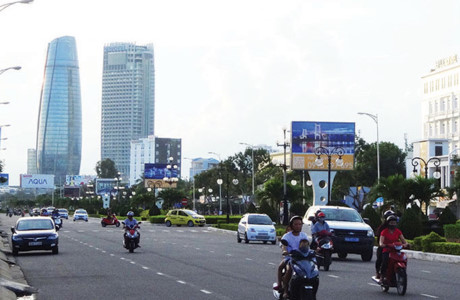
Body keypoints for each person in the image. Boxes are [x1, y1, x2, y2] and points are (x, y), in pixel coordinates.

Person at [276, 216, 309, 300]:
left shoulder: (304, 235)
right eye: (296, 224)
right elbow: (284, 246)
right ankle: (285, 290)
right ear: (291, 225)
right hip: (290, 258)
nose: (298, 226)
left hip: (302, 259)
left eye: (299, 224)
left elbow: (306, 246)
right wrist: (285, 251)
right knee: (289, 268)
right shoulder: (287, 236)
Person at [379, 215, 408, 283]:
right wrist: (383, 245)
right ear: (388, 223)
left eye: (394, 223)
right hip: (387, 250)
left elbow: (403, 240)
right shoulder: (384, 231)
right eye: (391, 223)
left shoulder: (398, 231)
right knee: (385, 261)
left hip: (396, 250)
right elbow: (381, 242)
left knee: (403, 258)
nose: (393, 224)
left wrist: (406, 244)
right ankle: (382, 276)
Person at [375, 209, 395, 279]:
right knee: (381, 259)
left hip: (393, 247)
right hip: (384, 247)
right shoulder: (382, 228)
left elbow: (400, 237)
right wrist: (382, 244)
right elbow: (379, 238)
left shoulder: (395, 229)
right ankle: (379, 272)